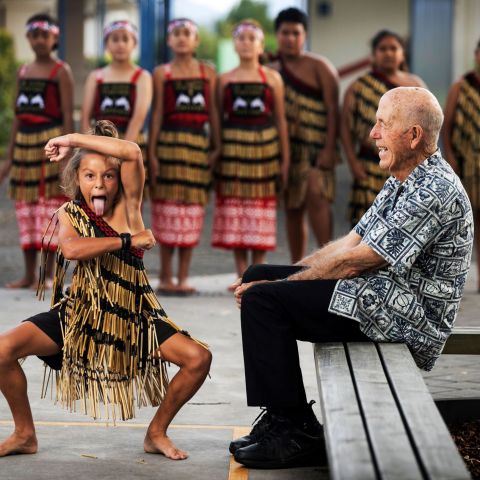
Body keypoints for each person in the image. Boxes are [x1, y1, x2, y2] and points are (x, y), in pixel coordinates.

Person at [230, 87, 473, 469]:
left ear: (413, 136)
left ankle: (294, 429)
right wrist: (294, 274)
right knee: (259, 275)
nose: (373, 134)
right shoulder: (403, 177)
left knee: (265, 299)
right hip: (380, 297)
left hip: (408, 317)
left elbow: (357, 262)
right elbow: (351, 241)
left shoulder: (435, 190)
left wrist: (282, 289)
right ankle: (281, 418)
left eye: (382, 124)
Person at [0, 121, 212, 460]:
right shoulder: (69, 213)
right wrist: (128, 240)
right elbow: (71, 250)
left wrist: (69, 139)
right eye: (89, 175)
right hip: (80, 313)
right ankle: (24, 434)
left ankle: (156, 433)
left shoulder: (129, 208)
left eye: (108, 176)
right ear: (76, 178)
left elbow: (133, 152)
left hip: (134, 316)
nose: (99, 184)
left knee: (198, 359)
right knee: (2, 350)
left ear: (120, 180)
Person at [0, 13, 74, 288]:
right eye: (35, 35)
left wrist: (66, 152)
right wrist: (9, 159)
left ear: (55, 38)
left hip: (49, 143)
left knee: (48, 212)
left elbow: (67, 116)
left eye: (46, 35)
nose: (40, 40)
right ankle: (29, 274)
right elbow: (18, 116)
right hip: (24, 148)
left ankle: (50, 276)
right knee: (26, 212)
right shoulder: (22, 72)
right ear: (28, 38)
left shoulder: (61, 71)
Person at [212, 20, 289, 278]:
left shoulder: (272, 78)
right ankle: (240, 273)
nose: (246, 43)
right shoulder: (224, 80)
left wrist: (285, 158)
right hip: (234, 153)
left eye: (251, 38)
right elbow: (216, 119)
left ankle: (257, 272)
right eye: (241, 38)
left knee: (260, 210)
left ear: (261, 44)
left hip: (264, 152)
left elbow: (280, 120)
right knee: (236, 211)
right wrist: (218, 150)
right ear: (234, 44)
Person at [149, 18, 220, 295]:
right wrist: (152, 152)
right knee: (166, 210)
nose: (181, 38)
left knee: (192, 210)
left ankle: (183, 277)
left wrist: (216, 146)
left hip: (196, 145)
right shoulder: (161, 73)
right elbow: (156, 114)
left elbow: (213, 111)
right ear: (169, 40)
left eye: (187, 33)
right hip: (168, 143)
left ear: (196, 40)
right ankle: (166, 276)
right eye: (176, 33)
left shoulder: (207, 72)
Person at [269, 8, 339, 263]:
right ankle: (297, 265)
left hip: (316, 147)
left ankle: (327, 262)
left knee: (317, 201)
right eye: (285, 33)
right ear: (277, 35)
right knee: (293, 207)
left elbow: (334, 109)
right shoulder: (271, 70)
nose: (290, 38)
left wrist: (330, 148)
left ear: (305, 35)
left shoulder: (320, 67)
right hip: (287, 151)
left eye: (295, 33)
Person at [342, 29, 426, 228]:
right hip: (370, 165)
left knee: (403, 228)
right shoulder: (359, 86)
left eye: (393, 48)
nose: (388, 53)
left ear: (402, 53)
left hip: (408, 168)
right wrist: (352, 162)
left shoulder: (415, 84)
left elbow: (429, 125)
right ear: (373, 54)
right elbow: (344, 127)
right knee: (367, 228)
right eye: (382, 49)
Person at [81, 20, 151, 183]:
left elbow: (138, 118)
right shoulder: (96, 76)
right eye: (115, 39)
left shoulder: (142, 77)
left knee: (127, 202)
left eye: (125, 39)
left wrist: (122, 150)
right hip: (98, 145)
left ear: (134, 44)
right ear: (106, 44)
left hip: (130, 143)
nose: (120, 44)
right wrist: (91, 147)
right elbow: (85, 117)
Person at [442, 39, 480, 290]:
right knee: (467, 224)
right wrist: (451, 158)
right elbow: (447, 127)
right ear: (476, 55)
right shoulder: (461, 86)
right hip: (467, 165)